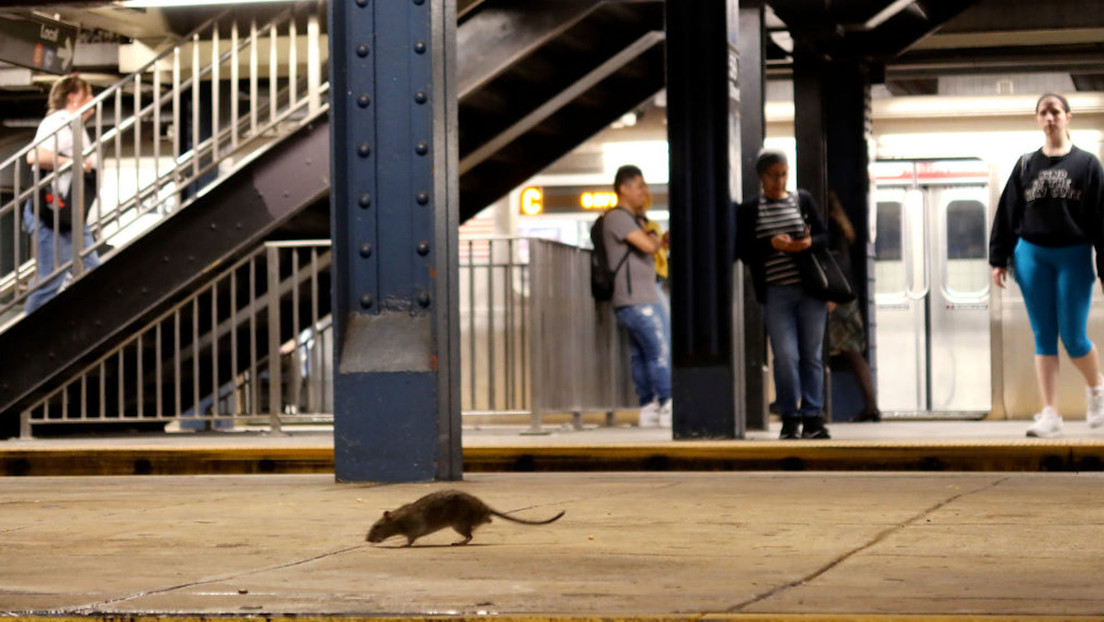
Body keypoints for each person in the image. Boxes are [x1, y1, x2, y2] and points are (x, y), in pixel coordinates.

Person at [989, 92, 1104, 438]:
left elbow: (1101, 219)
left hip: (1074, 254)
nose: (1050, 117)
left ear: (1068, 117)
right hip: (1031, 255)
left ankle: (1097, 389)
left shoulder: (1087, 165)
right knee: (1043, 336)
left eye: (1055, 111)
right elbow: (1007, 213)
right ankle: (1050, 414)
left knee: (1073, 336)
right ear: (1038, 120)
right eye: (1043, 112)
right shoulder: (1026, 164)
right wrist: (999, 258)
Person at [736, 149, 830, 439]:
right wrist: (772, 245)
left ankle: (812, 417)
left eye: (784, 174)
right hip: (777, 293)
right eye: (774, 175)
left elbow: (826, 236)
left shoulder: (801, 200)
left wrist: (807, 243)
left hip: (811, 291)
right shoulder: (751, 208)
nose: (780, 181)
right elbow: (743, 250)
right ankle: (790, 416)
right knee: (785, 356)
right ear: (762, 177)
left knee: (811, 356)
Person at [23, 74, 101, 314]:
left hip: (70, 215)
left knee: (92, 268)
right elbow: (34, 156)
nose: (93, 100)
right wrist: (73, 162)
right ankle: (25, 336)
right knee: (51, 279)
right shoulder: (59, 120)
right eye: (87, 95)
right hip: (52, 214)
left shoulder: (74, 122)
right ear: (72, 97)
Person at [604, 164, 672, 428]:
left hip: (635, 297)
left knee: (641, 354)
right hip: (637, 299)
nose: (645, 191)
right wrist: (654, 237)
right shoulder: (618, 217)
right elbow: (648, 245)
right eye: (640, 186)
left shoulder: (631, 218)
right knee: (659, 349)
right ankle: (667, 402)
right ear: (624, 188)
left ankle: (648, 407)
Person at [825, 191, 880, 422]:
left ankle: (816, 407)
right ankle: (870, 406)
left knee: (826, 351)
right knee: (853, 352)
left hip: (837, 297)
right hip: (848, 295)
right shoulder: (841, 225)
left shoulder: (829, 226)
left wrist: (831, 297)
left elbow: (835, 264)